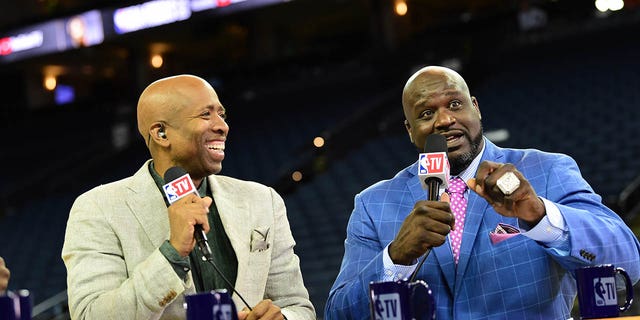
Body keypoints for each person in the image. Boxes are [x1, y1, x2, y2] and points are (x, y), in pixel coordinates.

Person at [325, 66, 640, 319]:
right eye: (425, 114)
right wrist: (396, 258)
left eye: (455, 104)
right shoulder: (373, 204)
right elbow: (339, 313)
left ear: (475, 108)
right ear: (410, 130)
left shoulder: (546, 170)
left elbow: (629, 264)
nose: (444, 120)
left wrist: (539, 214)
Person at [62, 74, 315, 320]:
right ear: (161, 133)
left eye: (221, 114)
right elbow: (90, 315)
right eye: (206, 114)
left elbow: (298, 307)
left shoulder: (262, 200)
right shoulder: (98, 208)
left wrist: (282, 317)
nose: (222, 126)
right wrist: (172, 252)